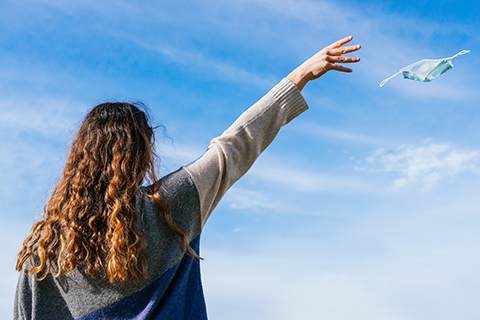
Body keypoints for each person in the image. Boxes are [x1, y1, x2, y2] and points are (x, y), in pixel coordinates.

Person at [14, 36, 361, 320]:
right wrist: (299, 75)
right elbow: (236, 145)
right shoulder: (172, 206)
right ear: (142, 154)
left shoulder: (45, 252)